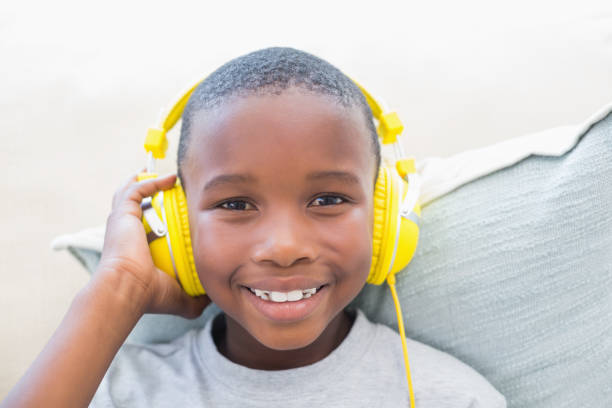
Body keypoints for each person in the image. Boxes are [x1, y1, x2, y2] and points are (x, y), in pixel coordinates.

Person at [1, 47, 506, 407]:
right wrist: (119, 288)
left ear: (386, 219)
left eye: (328, 199)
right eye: (237, 204)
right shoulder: (116, 391)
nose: (283, 248)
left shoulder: (452, 396)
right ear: (176, 231)